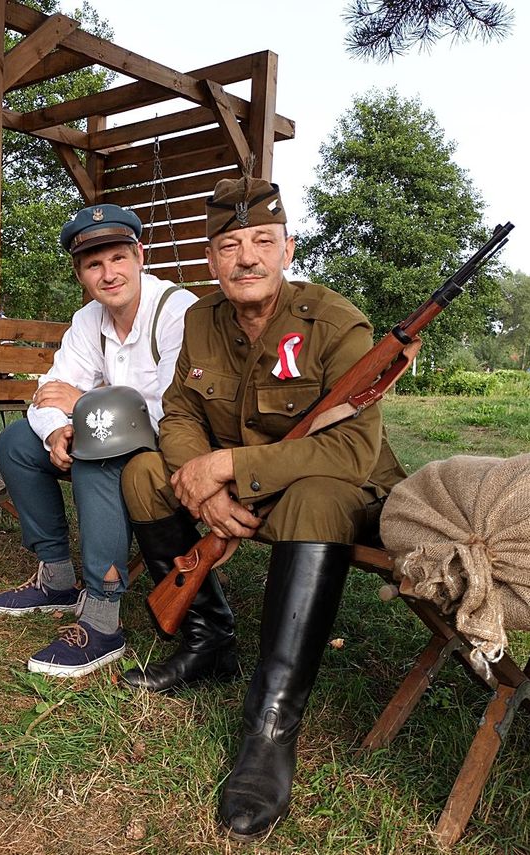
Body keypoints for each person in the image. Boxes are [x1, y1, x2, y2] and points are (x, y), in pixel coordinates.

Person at [119, 177, 406, 839]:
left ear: (288, 249)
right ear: (211, 260)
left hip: (333, 494)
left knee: (317, 492)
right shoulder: (201, 319)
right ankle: (206, 641)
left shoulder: (335, 321)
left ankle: (271, 729)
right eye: (230, 245)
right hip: (246, 500)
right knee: (142, 473)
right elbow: (183, 411)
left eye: (262, 242)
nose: (247, 257)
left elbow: (351, 451)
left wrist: (229, 468)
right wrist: (200, 481)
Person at [0, 203, 197, 678]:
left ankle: (102, 619)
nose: (109, 273)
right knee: (17, 441)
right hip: (110, 431)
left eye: (118, 258)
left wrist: (84, 402)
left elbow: (168, 409)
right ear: (81, 273)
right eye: (94, 264)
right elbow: (46, 395)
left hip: (175, 445)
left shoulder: (178, 312)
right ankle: (56, 579)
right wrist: (58, 429)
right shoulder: (87, 321)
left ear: (140, 256)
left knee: (97, 455)